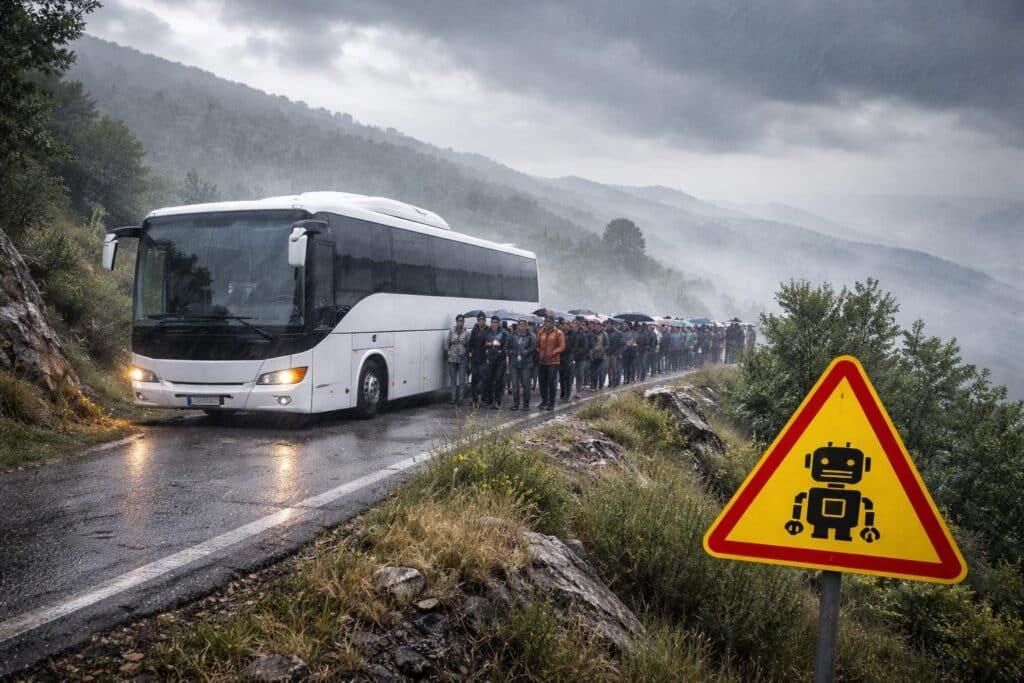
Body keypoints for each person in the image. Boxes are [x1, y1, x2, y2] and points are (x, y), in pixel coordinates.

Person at [536, 315, 565, 410]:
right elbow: (537, 345)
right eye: (545, 321)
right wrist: (539, 351)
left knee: (551, 382)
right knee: (542, 382)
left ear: (552, 323)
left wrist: (553, 352)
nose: (546, 323)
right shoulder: (541, 332)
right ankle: (544, 401)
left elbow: (562, 346)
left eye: (548, 321)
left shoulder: (558, 333)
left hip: (553, 361)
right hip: (542, 361)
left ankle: (551, 402)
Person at [508, 318, 536, 410]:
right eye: (520, 324)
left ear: (526, 326)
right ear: (518, 325)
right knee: (515, 385)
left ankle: (526, 405)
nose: (522, 326)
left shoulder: (531, 335)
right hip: (514, 363)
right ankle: (515, 404)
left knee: (526, 384)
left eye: (524, 324)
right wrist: (512, 352)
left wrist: (526, 351)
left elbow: (533, 347)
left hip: (526, 363)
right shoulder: (513, 335)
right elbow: (507, 346)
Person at [482, 315, 508, 408]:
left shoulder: (504, 333)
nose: (494, 324)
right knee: (488, 379)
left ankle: (498, 401)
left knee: (498, 380)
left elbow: (506, 346)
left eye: (496, 322)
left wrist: (500, 348)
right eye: (493, 322)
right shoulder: (487, 332)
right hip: (490, 359)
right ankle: (490, 399)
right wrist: (490, 344)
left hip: (500, 360)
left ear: (499, 323)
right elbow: (484, 344)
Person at [445, 314, 471, 405]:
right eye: (459, 320)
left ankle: (460, 399)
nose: (460, 322)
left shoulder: (467, 333)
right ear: (456, 321)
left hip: (462, 359)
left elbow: (469, 345)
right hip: (452, 358)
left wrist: (466, 353)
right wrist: (448, 352)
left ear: (464, 322)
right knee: (453, 380)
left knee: (462, 380)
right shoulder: (451, 331)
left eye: (462, 321)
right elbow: (447, 343)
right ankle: (453, 398)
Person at [468, 313, 489, 404]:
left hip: (484, 358)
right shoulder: (474, 330)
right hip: (475, 358)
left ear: (485, 320)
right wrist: (469, 352)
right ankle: (474, 399)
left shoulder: (488, 330)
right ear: (477, 320)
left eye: (483, 319)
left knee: (484, 379)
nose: (481, 321)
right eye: (479, 319)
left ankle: (484, 398)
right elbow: (470, 343)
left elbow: (490, 342)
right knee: (474, 379)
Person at [571, 317, 590, 398]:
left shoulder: (582, 335)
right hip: (571, 358)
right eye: (573, 323)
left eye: (575, 323)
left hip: (581, 358)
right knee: (572, 374)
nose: (573, 325)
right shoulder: (571, 334)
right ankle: (569, 390)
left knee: (580, 375)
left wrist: (576, 352)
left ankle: (578, 391)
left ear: (578, 326)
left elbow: (585, 347)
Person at [559, 318, 577, 401]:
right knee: (561, 377)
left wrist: (572, 358)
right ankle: (562, 393)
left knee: (568, 378)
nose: (565, 325)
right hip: (560, 358)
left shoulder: (573, 334)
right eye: (563, 324)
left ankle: (568, 394)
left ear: (569, 325)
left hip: (569, 358)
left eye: (567, 324)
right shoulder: (559, 333)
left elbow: (574, 347)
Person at [589, 320, 609, 389]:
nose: (595, 326)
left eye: (596, 325)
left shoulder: (604, 334)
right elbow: (590, 344)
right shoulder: (592, 333)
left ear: (600, 325)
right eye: (594, 325)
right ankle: (594, 385)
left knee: (600, 372)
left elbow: (607, 345)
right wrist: (591, 352)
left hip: (601, 356)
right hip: (593, 355)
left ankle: (601, 385)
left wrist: (602, 351)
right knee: (593, 372)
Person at [607, 321, 624, 387]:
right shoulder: (606, 332)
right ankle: (610, 382)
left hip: (614, 354)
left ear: (613, 325)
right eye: (608, 324)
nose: (608, 326)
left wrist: (617, 353)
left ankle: (615, 381)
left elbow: (621, 344)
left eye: (609, 324)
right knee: (608, 369)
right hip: (608, 353)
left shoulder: (619, 333)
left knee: (614, 369)